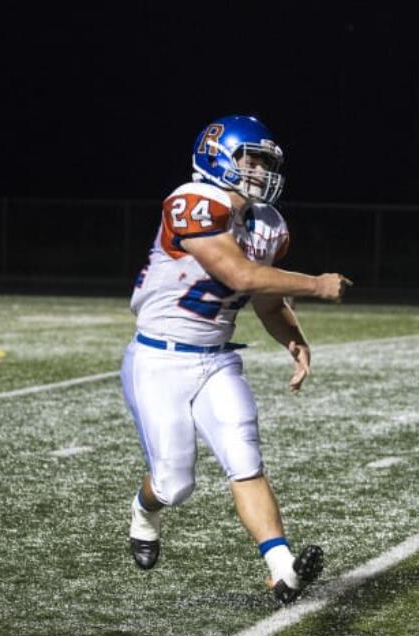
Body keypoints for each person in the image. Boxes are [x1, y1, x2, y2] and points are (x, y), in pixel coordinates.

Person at [121, 114, 352, 604]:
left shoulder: (269, 225)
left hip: (216, 359)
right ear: (217, 156)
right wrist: (316, 285)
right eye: (252, 159)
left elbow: (266, 300)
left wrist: (294, 337)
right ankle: (144, 512)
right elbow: (239, 275)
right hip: (159, 359)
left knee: (245, 456)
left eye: (266, 162)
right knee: (175, 483)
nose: (261, 171)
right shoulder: (191, 201)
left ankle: (281, 567)